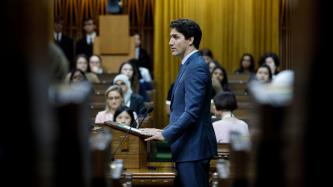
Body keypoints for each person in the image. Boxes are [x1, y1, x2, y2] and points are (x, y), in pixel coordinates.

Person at [144, 18, 217, 187]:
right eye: (170, 37)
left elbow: (192, 113)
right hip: (188, 147)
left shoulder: (196, 66)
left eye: (176, 37)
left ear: (190, 40)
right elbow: (182, 110)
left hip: (194, 149)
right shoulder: (188, 65)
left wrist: (165, 134)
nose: (170, 42)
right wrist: (163, 129)